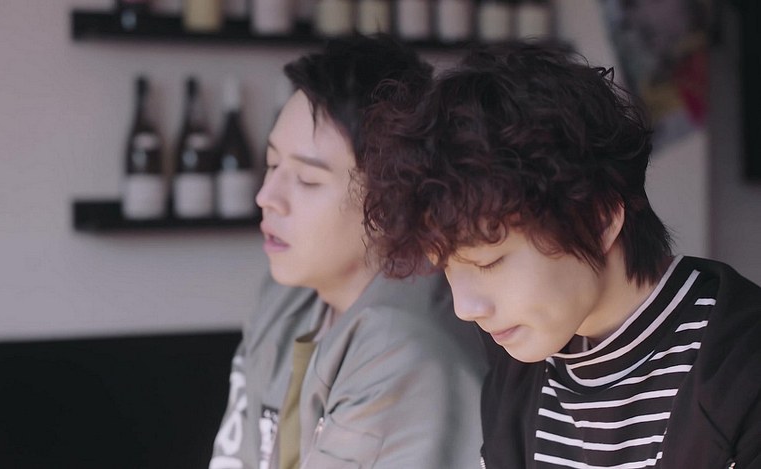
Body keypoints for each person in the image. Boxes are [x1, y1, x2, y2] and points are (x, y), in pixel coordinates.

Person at [361, 41, 761, 468]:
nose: (465, 307)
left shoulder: (742, 369)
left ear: (599, 220)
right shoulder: (521, 365)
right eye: (447, 267)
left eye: (488, 263)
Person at [208, 35, 486, 469]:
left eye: (307, 180)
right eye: (272, 164)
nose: (266, 197)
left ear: (391, 199)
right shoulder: (288, 295)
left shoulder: (406, 350)